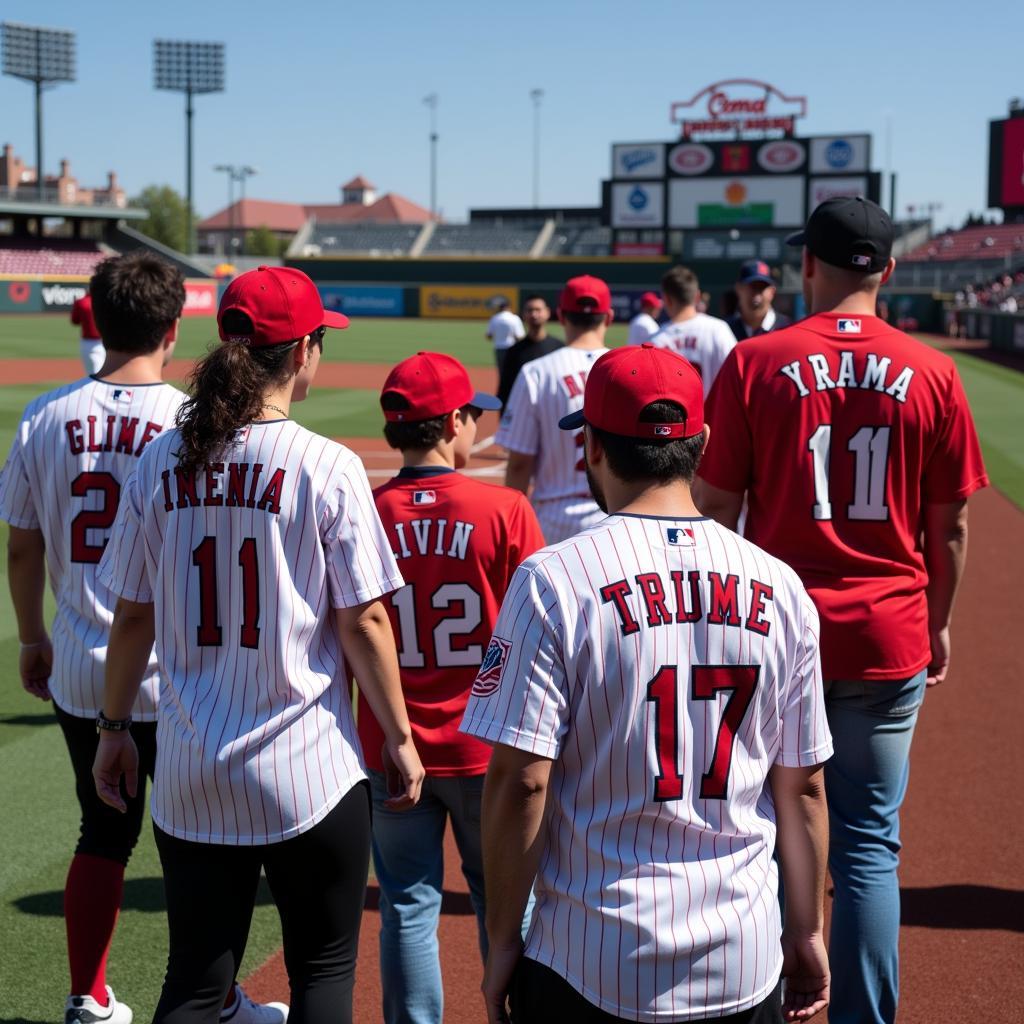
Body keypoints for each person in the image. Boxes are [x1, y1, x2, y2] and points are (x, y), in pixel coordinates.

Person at [462, 342, 834, 1024]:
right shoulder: (782, 587)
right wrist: (806, 932)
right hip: (741, 954)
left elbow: (521, 780)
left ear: (592, 449)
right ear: (704, 444)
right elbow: (803, 787)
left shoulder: (553, 580)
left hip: (590, 953)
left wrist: (501, 937)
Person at [91, 265, 425, 1024]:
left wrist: (114, 729)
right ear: (304, 349)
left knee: (196, 986)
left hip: (191, 766)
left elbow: (133, 617)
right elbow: (365, 622)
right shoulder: (328, 465)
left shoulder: (160, 459)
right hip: (308, 768)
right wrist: (400, 737)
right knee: (324, 973)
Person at [694, 196, 989, 1024]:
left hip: (775, 632)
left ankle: (748, 997)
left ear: (807, 266)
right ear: (888, 272)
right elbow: (951, 524)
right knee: (867, 846)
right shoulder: (932, 371)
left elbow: (715, 508)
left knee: (760, 821)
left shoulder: (755, 361)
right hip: (887, 630)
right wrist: (938, 619)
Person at [0, 252, 251, 1024]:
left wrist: (31, 637)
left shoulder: (45, 414)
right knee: (195, 840)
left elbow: (21, 544)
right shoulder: (193, 420)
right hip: (178, 666)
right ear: (175, 327)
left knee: (100, 828)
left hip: (81, 660)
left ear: (95, 323)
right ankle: (213, 996)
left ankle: (89, 994)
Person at [359, 351, 545, 1024]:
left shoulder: (364, 510)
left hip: (391, 742)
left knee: (407, 905)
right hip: (487, 745)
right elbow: (537, 635)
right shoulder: (504, 508)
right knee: (506, 904)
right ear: (455, 422)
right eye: (473, 417)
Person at [497, 275, 612, 544]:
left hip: (553, 517)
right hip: (615, 517)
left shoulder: (537, 372)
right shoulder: (627, 370)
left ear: (560, 316)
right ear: (608, 317)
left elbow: (519, 464)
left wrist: (513, 526)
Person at [649, 265, 736, 395]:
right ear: (697, 297)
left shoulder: (655, 341)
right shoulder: (719, 330)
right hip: (713, 414)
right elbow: (735, 380)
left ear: (666, 299)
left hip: (671, 415)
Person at [496, 295, 562, 408]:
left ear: (547, 312)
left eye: (538, 310)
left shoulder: (559, 348)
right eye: (530, 310)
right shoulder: (514, 351)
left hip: (552, 410)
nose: (534, 314)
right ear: (524, 314)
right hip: (523, 412)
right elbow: (505, 390)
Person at [727, 260, 791, 341]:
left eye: (762, 288)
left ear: (772, 292)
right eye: (752, 287)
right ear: (739, 289)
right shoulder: (726, 330)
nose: (757, 296)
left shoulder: (787, 328)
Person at [485, 298, 525, 377]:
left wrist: (499, 336)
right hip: (512, 348)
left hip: (499, 347)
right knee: (513, 372)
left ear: (500, 308)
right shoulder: (514, 318)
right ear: (509, 307)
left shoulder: (495, 318)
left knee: (502, 372)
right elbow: (520, 336)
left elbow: (489, 336)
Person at [71, 291, 106, 374]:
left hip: (88, 342)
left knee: (93, 374)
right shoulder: (105, 301)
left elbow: (75, 321)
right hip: (107, 342)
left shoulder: (81, 302)